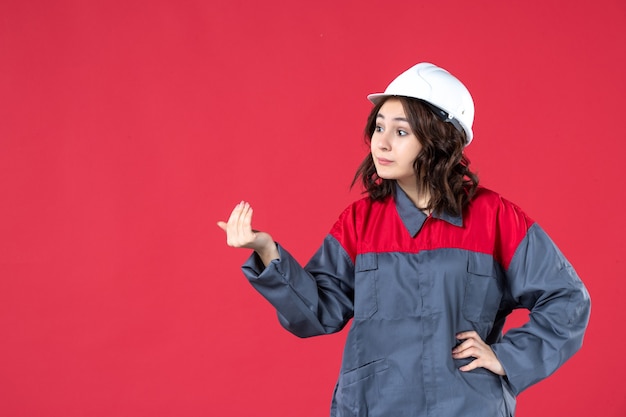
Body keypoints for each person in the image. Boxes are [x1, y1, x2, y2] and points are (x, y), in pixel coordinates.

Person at [217, 62, 591, 417]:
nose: (381, 143)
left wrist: (508, 358)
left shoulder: (495, 218)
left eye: (400, 131)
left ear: (439, 140)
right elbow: (318, 314)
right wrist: (267, 252)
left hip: (467, 405)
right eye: (379, 128)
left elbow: (567, 299)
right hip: (374, 404)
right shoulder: (360, 222)